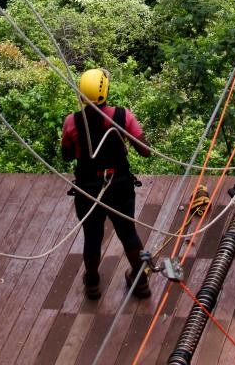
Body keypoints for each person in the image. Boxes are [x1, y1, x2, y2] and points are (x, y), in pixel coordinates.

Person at [61, 68, 152, 300]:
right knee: (128, 233)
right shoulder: (122, 117)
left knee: (92, 236)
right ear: (106, 90)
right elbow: (145, 151)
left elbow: (67, 155)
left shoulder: (72, 121)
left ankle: (92, 283)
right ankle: (140, 282)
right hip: (119, 185)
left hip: (88, 188)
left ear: (82, 95)